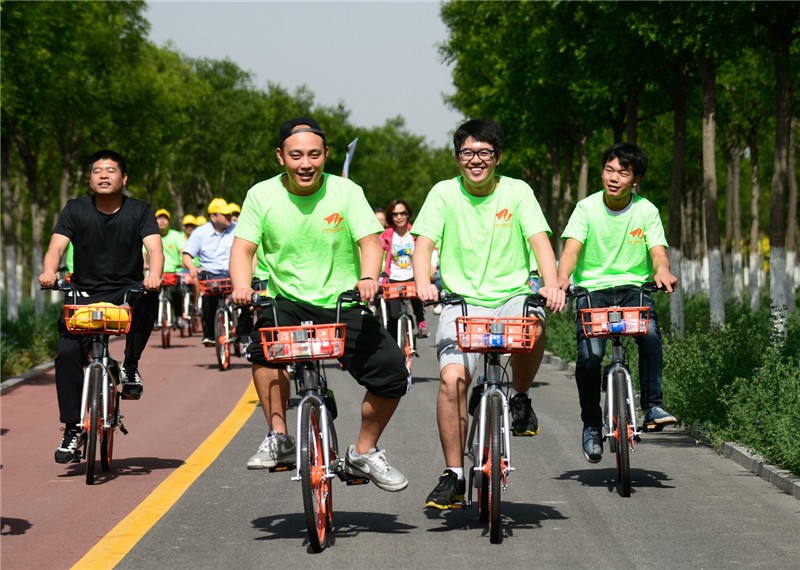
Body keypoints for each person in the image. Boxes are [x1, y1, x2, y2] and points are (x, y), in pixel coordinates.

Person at [230, 117, 409, 492]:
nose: (305, 163)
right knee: (263, 347)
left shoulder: (346, 191)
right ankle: (278, 436)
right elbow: (243, 248)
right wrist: (242, 287)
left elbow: (370, 242)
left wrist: (368, 278)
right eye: (296, 155)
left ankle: (363, 451)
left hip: (343, 302)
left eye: (314, 154)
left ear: (326, 155)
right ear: (281, 157)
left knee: (393, 372)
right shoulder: (261, 195)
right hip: (287, 301)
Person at [412, 119, 565, 509]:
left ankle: (519, 396)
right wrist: (423, 281)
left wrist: (550, 284)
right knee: (451, 381)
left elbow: (540, 242)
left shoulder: (517, 191)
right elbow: (424, 244)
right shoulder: (443, 193)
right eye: (467, 153)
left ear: (497, 157)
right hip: (461, 301)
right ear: (457, 157)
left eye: (484, 152)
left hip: (511, 295)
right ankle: (454, 475)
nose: (475, 160)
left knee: (533, 324)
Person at [39, 149, 163, 464]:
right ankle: (72, 429)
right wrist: (49, 272)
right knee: (67, 354)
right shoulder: (75, 209)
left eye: (110, 170)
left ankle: (131, 366)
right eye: (97, 170)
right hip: (82, 292)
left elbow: (154, 249)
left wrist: (154, 276)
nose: (103, 175)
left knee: (149, 298)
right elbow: (56, 246)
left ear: (124, 178)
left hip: (127, 290)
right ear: (90, 178)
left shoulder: (140, 210)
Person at [557, 142, 677, 463]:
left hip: (633, 290)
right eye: (609, 170)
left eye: (622, 173)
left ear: (635, 180)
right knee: (590, 357)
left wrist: (662, 270)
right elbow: (571, 250)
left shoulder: (646, 211)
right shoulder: (586, 208)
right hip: (592, 291)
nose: (613, 178)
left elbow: (658, 253)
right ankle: (592, 425)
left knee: (650, 334)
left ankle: (652, 405)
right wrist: (563, 277)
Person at [182, 198, 236, 346]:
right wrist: (192, 267)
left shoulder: (237, 229)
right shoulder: (200, 233)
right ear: (213, 217)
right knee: (208, 300)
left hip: (233, 273)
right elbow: (186, 255)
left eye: (230, 214)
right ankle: (209, 335)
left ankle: (243, 334)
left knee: (245, 301)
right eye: (225, 214)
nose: (229, 216)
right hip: (210, 275)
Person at [379, 198, 429, 339]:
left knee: (418, 299)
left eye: (402, 213)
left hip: (413, 275)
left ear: (408, 214)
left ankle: (420, 321)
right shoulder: (387, 235)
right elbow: (379, 253)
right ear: (391, 216)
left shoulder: (416, 233)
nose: (399, 217)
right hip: (394, 278)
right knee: (393, 317)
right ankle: (396, 346)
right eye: (395, 214)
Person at [155, 208, 187, 328]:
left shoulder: (176, 235)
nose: (162, 221)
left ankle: (178, 316)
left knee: (176, 292)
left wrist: (183, 262)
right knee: (151, 294)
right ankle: (154, 318)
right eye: (159, 218)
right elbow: (145, 253)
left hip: (175, 271)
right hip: (157, 272)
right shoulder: (152, 235)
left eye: (165, 218)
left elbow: (182, 250)